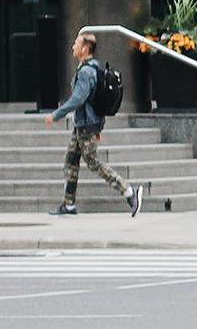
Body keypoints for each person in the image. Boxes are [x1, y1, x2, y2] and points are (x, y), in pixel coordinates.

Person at [46, 32, 142, 217]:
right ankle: (69, 204)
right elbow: (96, 100)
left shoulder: (86, 72)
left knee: (93, 163)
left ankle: (129, 192)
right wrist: (98, 127)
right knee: (71, 160)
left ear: (84, 49)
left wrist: (56, 115)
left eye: (76, 43)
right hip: (83, 125)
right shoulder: (92, 68)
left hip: (85, 126)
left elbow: (78, 100)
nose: (72, 47)